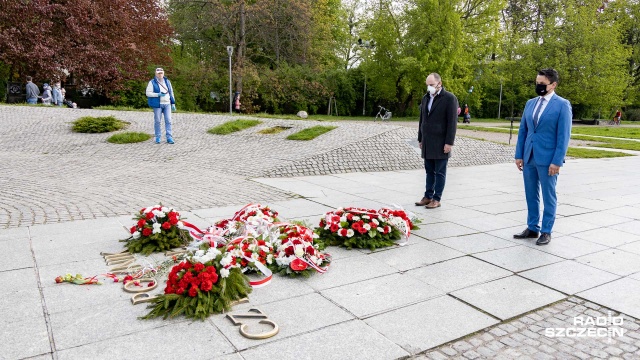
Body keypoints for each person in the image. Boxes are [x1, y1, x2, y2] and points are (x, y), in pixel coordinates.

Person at [514, 68, 572, 246]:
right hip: (529, 155)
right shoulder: (530, 103)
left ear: (553, 85)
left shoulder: (562, 105)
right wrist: (519, 154)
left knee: (548, 196)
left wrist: (557, 161)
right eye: (536, 83)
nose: (538, 86)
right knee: (531, 194)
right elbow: (523, 130)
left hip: (548, 159)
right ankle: (532, 227)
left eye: (542, 84)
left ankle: (546, 231)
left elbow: (564, 136)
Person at [415, 73, 459, 209]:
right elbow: (422, 119)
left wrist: (449, 142)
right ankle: (428, 196)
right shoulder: (425, 98)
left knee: (440, 172)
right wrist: (420, 138)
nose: (429, 87)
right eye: (427, 85)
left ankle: (436, 198)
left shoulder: (449, 98)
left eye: (431, 85)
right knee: (429, 171)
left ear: (439, 83)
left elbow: (452, 122)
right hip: (427, 141)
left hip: (441, 141)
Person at [146, 67, 176, 144]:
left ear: (163, 73)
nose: (160, 74)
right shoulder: (152, 82)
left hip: (167, 104)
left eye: (161, 73)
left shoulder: (167, 81)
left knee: (168, 120)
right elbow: (148, 93)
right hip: (158, 105)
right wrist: (158, 94)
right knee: (157, 121)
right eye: (159, 73)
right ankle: (158, 137)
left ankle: (169, 137)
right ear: (156, 74)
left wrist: (173, 103)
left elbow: (171, 92)